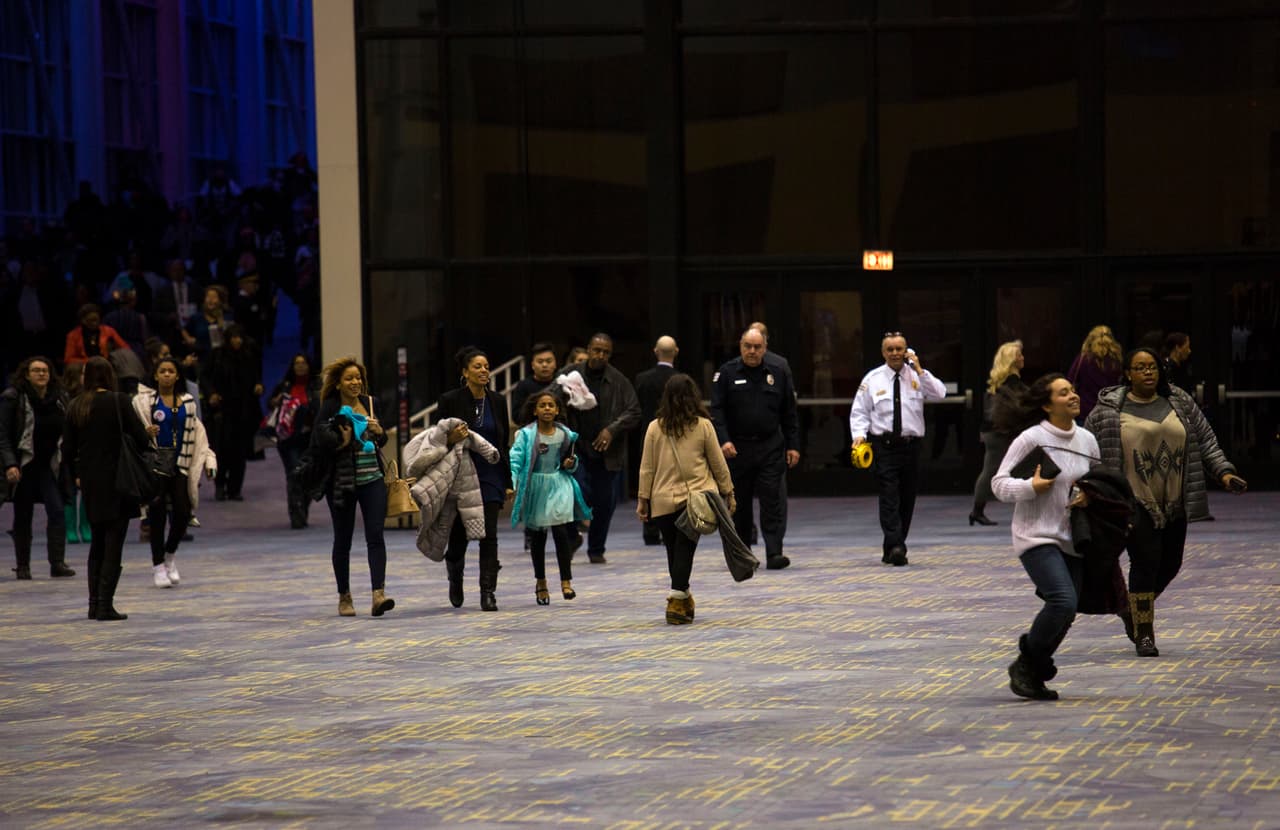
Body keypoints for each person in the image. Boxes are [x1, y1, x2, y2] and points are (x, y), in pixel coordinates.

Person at [1084, 347, 1246, 657]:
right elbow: (1090, 451)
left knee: (1171, 563)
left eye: (1153, 367)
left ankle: (1131, 609)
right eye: (1140, 367)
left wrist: (1224, 473)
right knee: (1145, 562)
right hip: (1134, 499)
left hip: (1174, 497)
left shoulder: (1179, 401)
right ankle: (1144, 634)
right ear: (1128, 373)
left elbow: (1206, 439)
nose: (1147, 372)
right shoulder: (1107, 410)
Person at [991, 374, 1100, 700]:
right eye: (1063, 392)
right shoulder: (1031, 438)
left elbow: (1097, 482)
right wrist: (1031, 487)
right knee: (1062, 600)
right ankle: (1026, 663)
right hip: (1036, 535)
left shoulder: (1087, 440)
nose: (1073, 396)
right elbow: (998, 484)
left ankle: (1033, 673)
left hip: (1073, 537)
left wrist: (1089, 495)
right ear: (1046, 404)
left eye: (1073, 390)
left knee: (1068, 611)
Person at [638, 374, 736, 624]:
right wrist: (728, 491)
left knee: (675, 552)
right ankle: (676, 600)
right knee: (684, 551)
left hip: (662, 501)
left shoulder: (654, 427)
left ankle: (683, 598)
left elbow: (646, 468)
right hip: (696, 499)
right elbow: (717, 463)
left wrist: (643, 499)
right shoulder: (703, 426)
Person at [62, 357, 152, 620]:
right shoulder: (119, 400)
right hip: (119, 480)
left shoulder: (76, 405)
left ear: (86, 376)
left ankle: (93, 604)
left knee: (97, 543)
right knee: (114, 542)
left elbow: (67, 450)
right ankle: (105, 605)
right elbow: (142, 440)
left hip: (91, 482)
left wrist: (79, 474)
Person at [849, 332, 948, 566]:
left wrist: (920, 370)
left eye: (899, 349)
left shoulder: (917, 375)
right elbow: (860, 411)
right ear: (883, 352)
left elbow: (940, 393)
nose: (895, 353)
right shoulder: (872, 379)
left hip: (911, 446)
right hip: (884, 446)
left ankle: (893, 546)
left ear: (907, 351)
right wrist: (859, 437)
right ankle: (896, 545)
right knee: (889, 496)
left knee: (907, 498)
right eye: (890, 349)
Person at [310, 357, 395, 618]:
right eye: (349, 378)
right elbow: (319, 441)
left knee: (375, 535)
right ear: (338, 384)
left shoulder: (371, 403)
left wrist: (379, 431)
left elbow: (380, 440)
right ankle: (344, 596)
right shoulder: (330, 407)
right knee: (343, 539)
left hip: (372, 480)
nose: (355, 382)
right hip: (342, 482)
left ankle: (377, 595)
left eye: (358, 377)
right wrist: (341, 438)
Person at [710, 328, 799, 570]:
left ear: (765, 348)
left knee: (772, 499)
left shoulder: (778, 372)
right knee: (740, 503)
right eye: (748, 346)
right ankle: (744, 555)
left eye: (757, 347)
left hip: (770, 445)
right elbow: (717, 411)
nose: (752, 351)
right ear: (740, 346)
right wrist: (723, 440)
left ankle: (774, 552)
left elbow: (789, 413)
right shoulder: (727, 373)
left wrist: (793, 446)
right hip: (737, 448)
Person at [433, 348, 512, 611]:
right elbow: (435, 440)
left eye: (486, 366)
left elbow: (503, 443)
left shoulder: (498, 401)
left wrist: (507, 479)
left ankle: (487, 593)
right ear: (465, 372)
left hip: (490, 475)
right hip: (460, 475)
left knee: (488, 535)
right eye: (477, 367)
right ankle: (455, 574)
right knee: (460, 536)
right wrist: (450, 438)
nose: (483, 371)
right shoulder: (450, 400)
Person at [133, 356, 216, 588]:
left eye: (171, 371)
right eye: (163, 371)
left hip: (181, 463)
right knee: (156, 516)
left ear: (177, 375)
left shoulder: (188, 402)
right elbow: (132, 432)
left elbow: (199, 434)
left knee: (182, 513)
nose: (167, 374)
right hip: (156, 465)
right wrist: (145, 432)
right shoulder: (143, 403)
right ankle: (158, 566)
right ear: (156, 375)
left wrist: (209, 459)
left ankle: (170, 555)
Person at [558, 333, 641, 564]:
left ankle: (596, 548)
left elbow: (634, 411)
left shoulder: (619, 380)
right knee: (576, 491)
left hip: (608, 452)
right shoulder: (570, 374)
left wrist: (611, 430)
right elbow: (552, 403)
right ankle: (573, 534)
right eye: (596, 350)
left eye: (605, 352)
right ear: (589, 349)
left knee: (605, 502)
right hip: (576, 446)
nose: (600, 355)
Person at [509, 390, 591, 605]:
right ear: (535, 410)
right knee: (537, 538)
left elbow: (571, 461)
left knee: (562, 531)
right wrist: (512, 482)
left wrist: (570, 465)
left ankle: (566, 581)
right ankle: (541, 582)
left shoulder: (565, 434)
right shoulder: (526, 435)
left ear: (557, 410)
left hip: (558, 484)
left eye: (551, 405)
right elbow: (515, 459)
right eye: (542, 405)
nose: (547, 409)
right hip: (536, 487)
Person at [1, 357, 75, 580]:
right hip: (23, 465)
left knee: (58, 511)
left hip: (49, 465)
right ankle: (23, 566)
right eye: (36, 371)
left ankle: (57, 563)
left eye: (45, 370)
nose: (41, 374)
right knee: (23, 515)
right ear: (26, 374)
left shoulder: (60, 398)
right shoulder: (13, 397)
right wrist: (10, 463)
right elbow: (2, 435)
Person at [969, 340, 1027, 526]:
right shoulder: (1012, 383)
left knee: (993, 469)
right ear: (1012, 360)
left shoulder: (1000, 382)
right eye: (1019, 355)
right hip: (999, 434)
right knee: (992, 470)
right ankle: (977, 511)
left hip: (995, 433)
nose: (1023, 358)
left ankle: (978, 511)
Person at [203, 323, 262, 501]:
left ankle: (235, 488)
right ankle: (220, 485)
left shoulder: (249, 355)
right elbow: (205, 376)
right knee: (221, 451)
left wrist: (259, 386)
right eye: (233, 337)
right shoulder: (217, 356)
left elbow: (257, 376)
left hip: (243, 411)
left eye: (239, 337)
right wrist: (211, 393)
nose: (237, 341)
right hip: (222, 410)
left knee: (240, 452)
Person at [633, 335, 679, 545]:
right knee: (673, 478)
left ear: (655, 351)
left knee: (649, 478)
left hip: (649, 434)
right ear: (676, 351)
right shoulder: (680, 379)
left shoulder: (642, 379)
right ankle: (674, 522)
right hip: (676, 436)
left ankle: (650, 529)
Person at [267, 353, 322, 528]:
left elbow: (322, 410)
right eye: (296, 363)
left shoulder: (317, 386)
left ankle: (303, 508)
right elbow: (270, 403)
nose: (300, 366)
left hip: (309, 438)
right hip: (288, 439)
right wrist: (276, 401)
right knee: (294, 475)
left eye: (303, 363)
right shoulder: (285, 386)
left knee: (310, 476)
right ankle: (296, 515)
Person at [1066, 325, 1123, 421]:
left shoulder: (1083, 359)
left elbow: (1070, 381)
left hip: (1085, 412)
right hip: (1110, 411)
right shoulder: (1117, 361)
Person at [63, 304, 131, 366]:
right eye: (91, 320)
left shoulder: (109, 331)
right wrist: (89, 361)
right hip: (84, 368)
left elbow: (126, 349)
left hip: (107, 366)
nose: (94, 323)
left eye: (96, 320)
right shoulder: (73, 335)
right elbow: (68, 359)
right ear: (82, 320)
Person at [511, 342, 558, 423]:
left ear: (555, 364)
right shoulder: (523, 386)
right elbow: (516, 417)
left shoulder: (561, 384)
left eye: (549, 361)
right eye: (540, 361)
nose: (544, 365)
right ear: (532, 365)